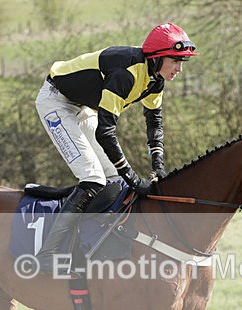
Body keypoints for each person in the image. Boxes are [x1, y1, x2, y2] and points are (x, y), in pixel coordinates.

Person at [33, 22, 197, 273]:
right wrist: (132, 177)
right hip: (56, 102)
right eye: (175, 61)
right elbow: (105, 132)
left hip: (83, 107)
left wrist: (158, 167)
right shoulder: (126, 74)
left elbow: (154, 122)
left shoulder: (155, 80)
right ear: (157, 57)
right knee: (93, 178)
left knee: (112, 180)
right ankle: (48, 254)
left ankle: (90, 239)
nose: (179, 68)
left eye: (182, 62)